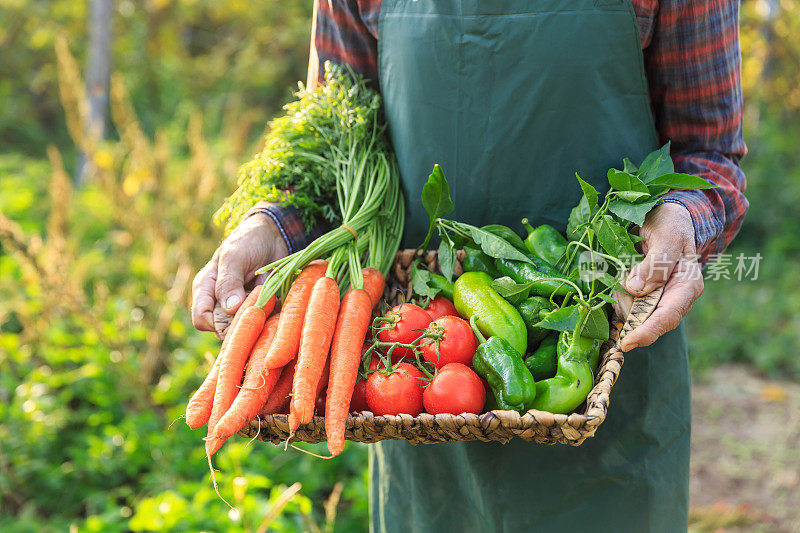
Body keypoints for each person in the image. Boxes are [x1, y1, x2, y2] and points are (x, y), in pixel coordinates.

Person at [191, 0, 748, 530]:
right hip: (418, 373)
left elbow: (710, 155)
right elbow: (339, 141)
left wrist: (682, 218)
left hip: (600, 349)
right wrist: (274, 225)